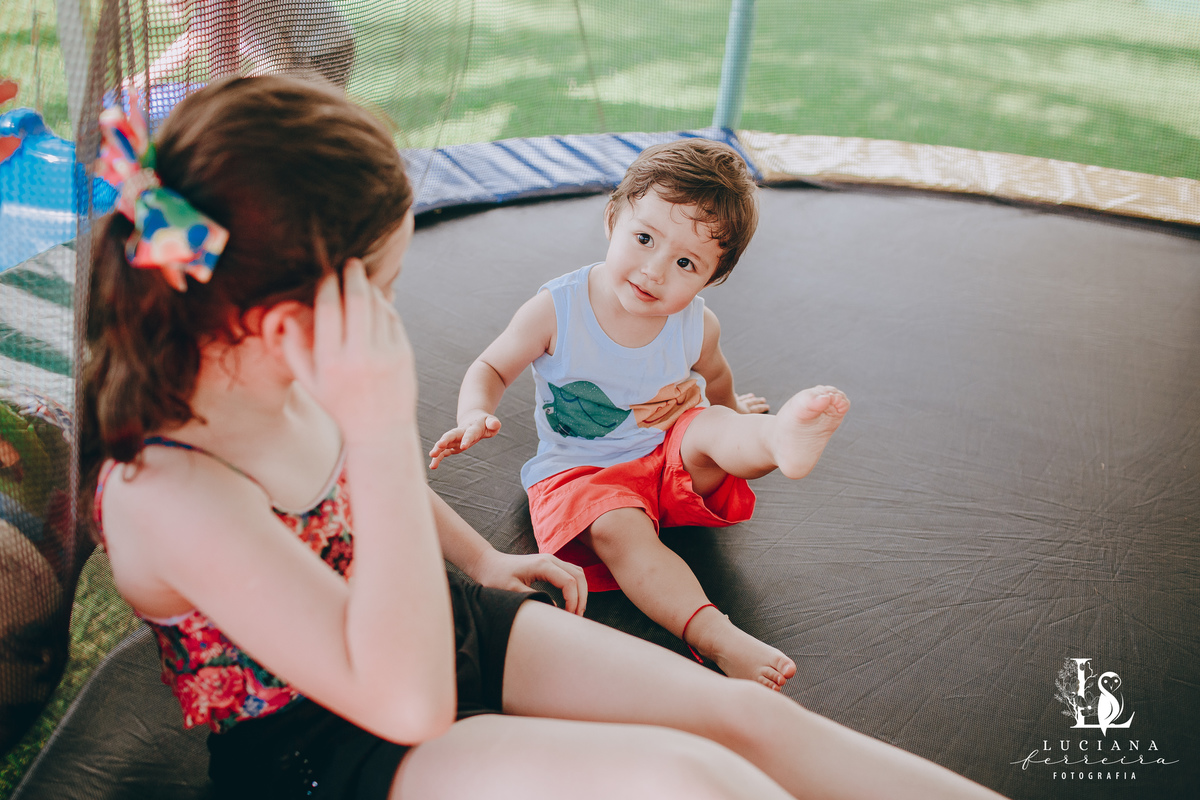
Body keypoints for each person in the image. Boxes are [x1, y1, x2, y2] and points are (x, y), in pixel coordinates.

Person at [84, 74, 1006, 799]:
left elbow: (366, 495)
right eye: (389, 287)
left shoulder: (284, 380)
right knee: (692, 783)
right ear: (288, 321)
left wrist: (483, 558)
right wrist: (373, 425)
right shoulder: (173, 493)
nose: (395, 309)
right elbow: (407, 703)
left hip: (437, 624)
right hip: (335, 746)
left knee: (742, 724)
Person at [429, 138, 848, 691]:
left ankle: (777, 439)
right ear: (613, 219)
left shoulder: (697, 324)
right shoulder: (558, 308)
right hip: (585, 474)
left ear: (710, 278)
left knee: (712, 426)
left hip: (668, 457)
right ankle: (717, 637)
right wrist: (475, 412)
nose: (654, 270)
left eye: (684, 263)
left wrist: (732, 414)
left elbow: (717, 380)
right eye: (644, 238)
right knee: (625, 537)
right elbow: (492, 366)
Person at [142, 1, 355, 88]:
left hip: (324, 52)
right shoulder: (208, 5)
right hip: (297, 54)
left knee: (299, 119)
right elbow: (196, 38)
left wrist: (235, 88)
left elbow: (279, 61)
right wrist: (146, 78)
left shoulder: (237, 7)